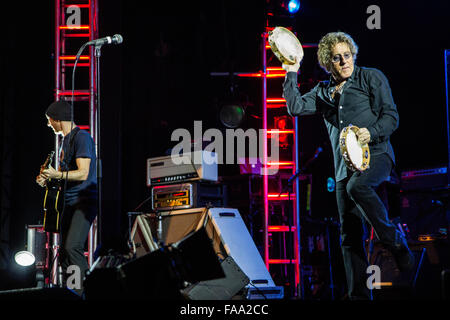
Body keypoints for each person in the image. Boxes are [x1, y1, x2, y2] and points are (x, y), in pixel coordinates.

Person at [282, 32, 414, 300]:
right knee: (350, 234)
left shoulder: (370, 77)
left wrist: (371, 132)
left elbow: (391, 117)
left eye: (347, 55)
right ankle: (358, 296)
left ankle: (394, 241)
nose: (344, 61)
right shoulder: (322, 92)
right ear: (327, 63)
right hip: (344, 169)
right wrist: (292, 71)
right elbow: (294, 107)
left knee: (359, 186)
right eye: (336, 58)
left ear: (353, 54)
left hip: (377, 155)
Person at [36, 100, 97, 295]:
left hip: (83, 202)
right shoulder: (64, 142)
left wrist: (58, 175)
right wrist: (47, 180)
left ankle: (87, 293)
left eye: (49, 121)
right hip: (68, 202)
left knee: (73, 248)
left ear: (57, 119)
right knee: (63, 253)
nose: (48, 125)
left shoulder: (82, 138)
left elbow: (83, 173)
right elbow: (65, 177)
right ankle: (73, 291)